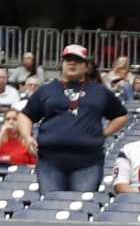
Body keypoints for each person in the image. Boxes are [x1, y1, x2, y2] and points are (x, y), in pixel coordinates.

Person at [24, 44, 129, 194]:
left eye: (77, 61)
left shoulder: (99, 91)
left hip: (87, 162)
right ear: (62, 65)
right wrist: (27, 136)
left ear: (87, 67)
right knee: (51, 204)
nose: (72, 63)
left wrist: (104, 133)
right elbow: (26, 115)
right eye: (68, 60)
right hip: (50, 160)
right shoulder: (46, 89)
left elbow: (121, 115)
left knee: (80, 204)